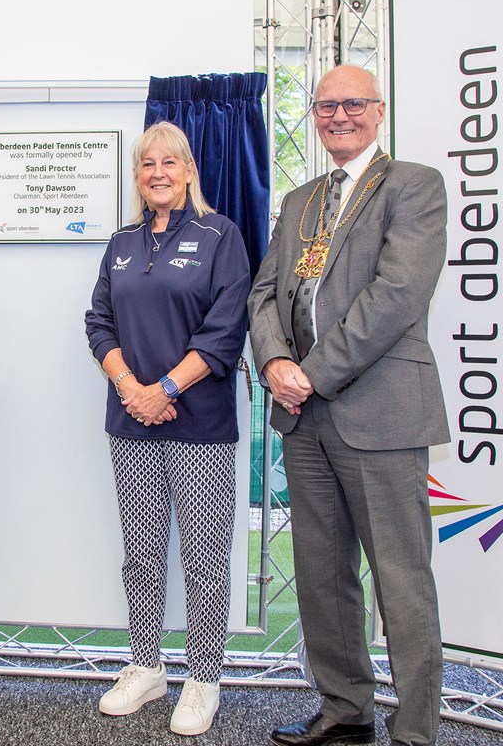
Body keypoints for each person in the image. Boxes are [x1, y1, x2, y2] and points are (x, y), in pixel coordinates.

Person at [247, 65, 449, 746]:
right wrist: (275, 361)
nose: (338, 115)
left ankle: (416, 730)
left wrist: (310, 372)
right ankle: (345, 710)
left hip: (380, 411)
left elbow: (395, 297)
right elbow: (265, 293)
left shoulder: (414, 186)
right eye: (326, 105)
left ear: (378, 110)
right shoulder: (301, 199)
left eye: (352, 103)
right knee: (321, 575)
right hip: (305, 418)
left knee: (402, 582)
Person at [84, 120, 250, 737]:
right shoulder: (122, 242)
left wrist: (167, 389)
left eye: (169, 162)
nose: (158, 172)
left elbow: (225, 329)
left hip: (199, 424)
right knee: (142, 554)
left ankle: (204, 676)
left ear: (188, 172)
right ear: (137, 175)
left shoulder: (220, 235)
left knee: (204, 555)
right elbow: (98, 321)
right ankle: (147, 664)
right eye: (147, 163)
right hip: (131, 423)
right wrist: (132, 390)